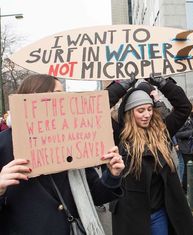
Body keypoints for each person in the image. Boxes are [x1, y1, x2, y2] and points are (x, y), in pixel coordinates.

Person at [0, 74, 125, 235]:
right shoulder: (4, 144)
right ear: (35, 98)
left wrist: (112, 175)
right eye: (58, 93)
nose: (64, 99)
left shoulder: (70, 139)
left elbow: (95, 194)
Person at [107, 75, 193, 235]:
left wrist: (162, 82)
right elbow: (97, 109)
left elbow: (184, 106)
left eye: (149, 109)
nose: (147, 115)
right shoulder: (119, 136)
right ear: (130, 113)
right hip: (131, 216)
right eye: (140, 110)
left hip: (160, 213)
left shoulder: (162, 131)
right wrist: (121, 85)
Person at [175, 96, 193, 193]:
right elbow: (177, 133)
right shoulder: (184, 117)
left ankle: (192, 188)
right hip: (186, 148)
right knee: (188, 170)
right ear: (191, 105)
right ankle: (186, 190)